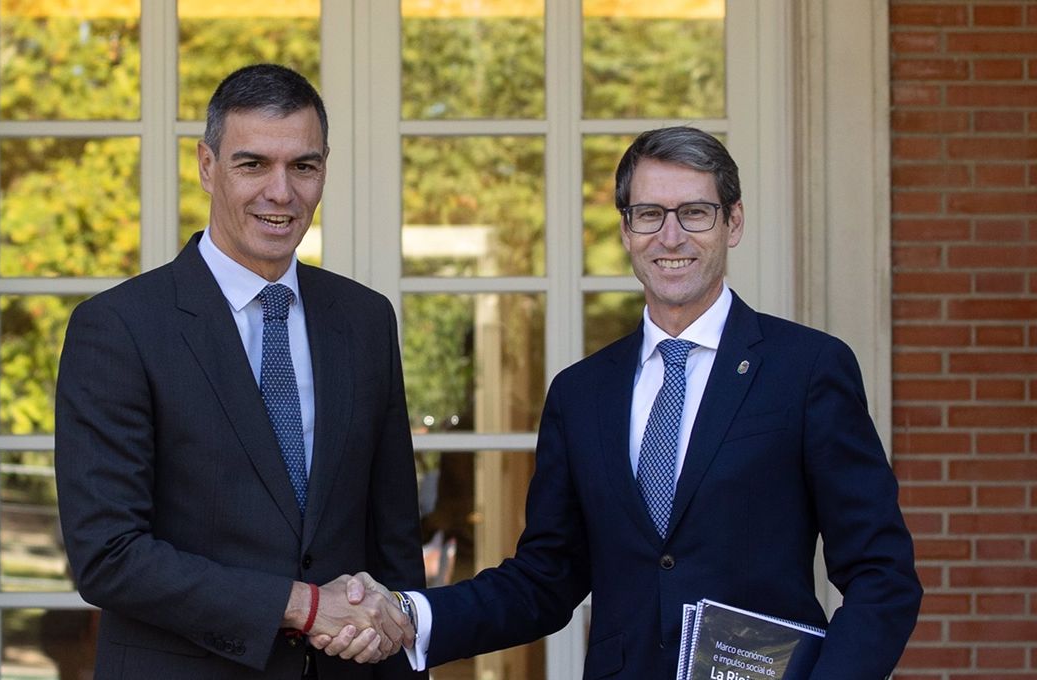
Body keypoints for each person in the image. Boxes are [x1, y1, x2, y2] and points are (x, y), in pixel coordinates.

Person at [321, 127, 923, 678]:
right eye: (649, 214)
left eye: (695, 213)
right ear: (624, 229)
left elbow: (882, 574)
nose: (671, 236)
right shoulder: (583, 394)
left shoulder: (807, 370)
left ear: (733, 223)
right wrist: (411, 614)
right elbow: (545, 579)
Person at [55, 63, 425, 679]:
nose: (281, 193)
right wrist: (304, 606)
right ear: (206, 165)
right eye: (252, 164)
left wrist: (396, 637)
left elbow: (394, 541)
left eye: (303, 166)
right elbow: (108, 554)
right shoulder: (119, 328)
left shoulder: (365, 320)